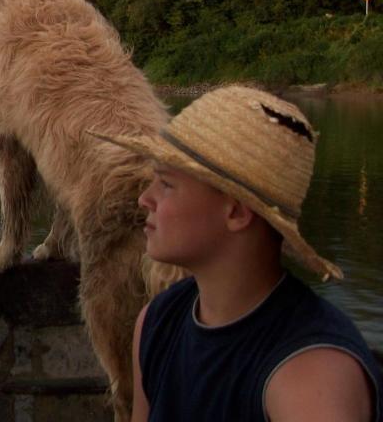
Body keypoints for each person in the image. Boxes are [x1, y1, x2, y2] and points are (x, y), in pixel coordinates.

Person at [91, 85, 381, 422]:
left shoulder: (309, 376)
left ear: (237, 212)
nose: (145, 199)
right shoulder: (158, 321)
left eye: (166, 184)